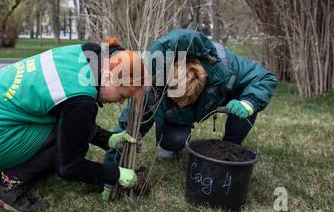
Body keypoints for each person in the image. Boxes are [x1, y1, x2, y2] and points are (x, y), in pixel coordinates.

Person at [0, 38, 144, 212]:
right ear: (108, 77)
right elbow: (69, 166)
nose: (118, 102)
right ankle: (6, 187)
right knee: (65, 143)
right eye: (122, 95)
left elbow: (70, 115)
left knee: (65, 127)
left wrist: (107, 139)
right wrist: (114, 174)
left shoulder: (87, 53)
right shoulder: (82, 100)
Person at [105, 29, 278, 162]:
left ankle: (230, 147)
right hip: (178, 112)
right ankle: (169, 141)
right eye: (177, 99)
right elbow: (128, 125)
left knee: (247, 102)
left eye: (187, 100)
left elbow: (265, 77)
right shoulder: (153, 86)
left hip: (222, 93)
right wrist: (111, 170)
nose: (181, 104)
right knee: (173, 141)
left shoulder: (226, 67)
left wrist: (249, 103)